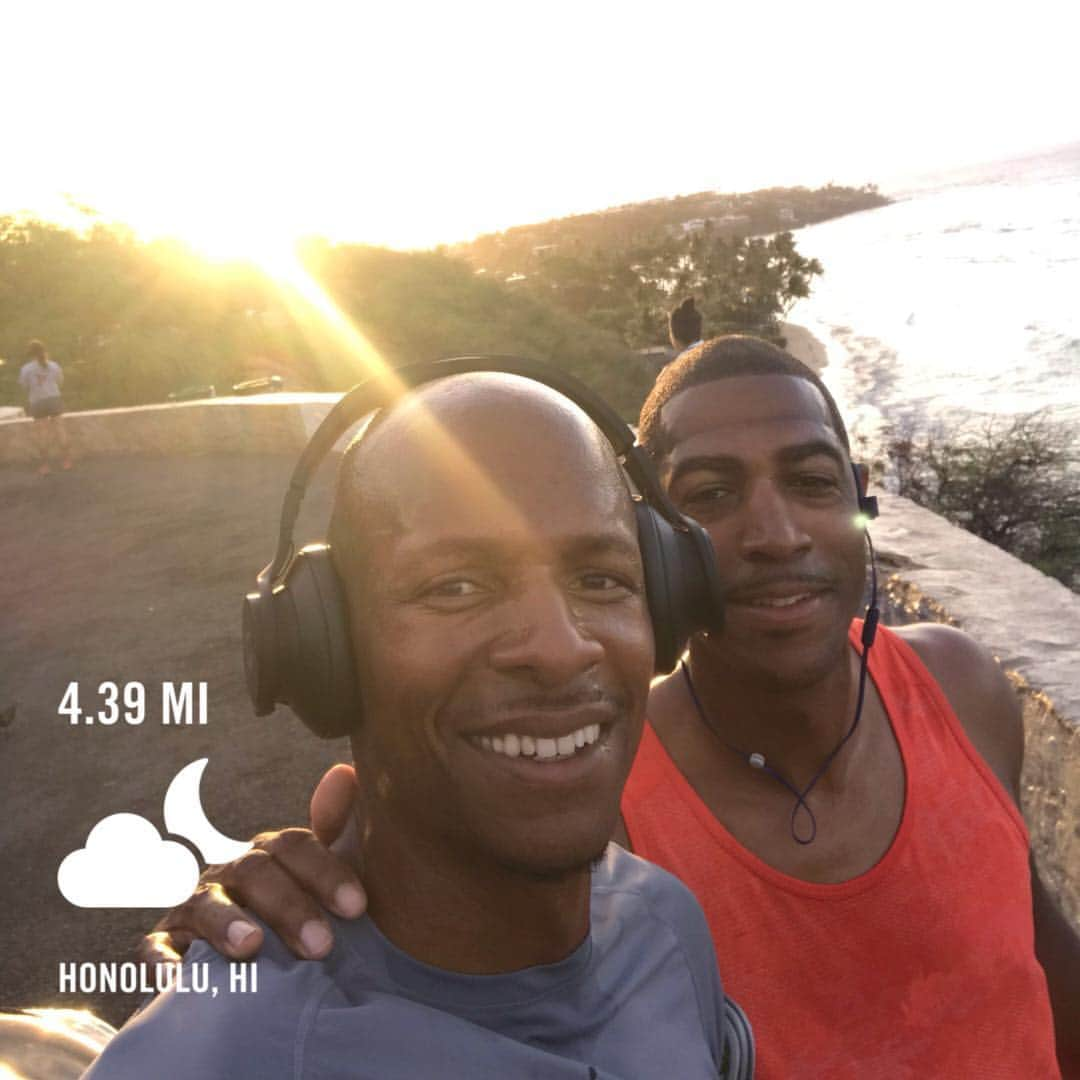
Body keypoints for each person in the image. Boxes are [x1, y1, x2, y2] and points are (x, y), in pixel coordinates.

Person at [146, 338, 1080, 1078]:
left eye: (813, 483)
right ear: (670, 563)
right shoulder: (589, 807)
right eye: (712, 494)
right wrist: (259, 923)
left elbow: (1039, 974)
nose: (777, 534)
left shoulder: (960, 691)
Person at [88, 371, 744, 1079]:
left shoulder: (667, 928)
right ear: (323, 649)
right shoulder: (214, 1059)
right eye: (456, 585)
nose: (560, 649)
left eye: (600, 578)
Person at [17, 339, 72, 474]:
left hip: (37, 401)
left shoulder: (26, 369)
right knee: (60, 430)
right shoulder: (54, 365)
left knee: (42, 434)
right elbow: (60, 381)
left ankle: (45, 466)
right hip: (54, 399)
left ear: (30, 353)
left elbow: (24, 386)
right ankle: (66, 461)